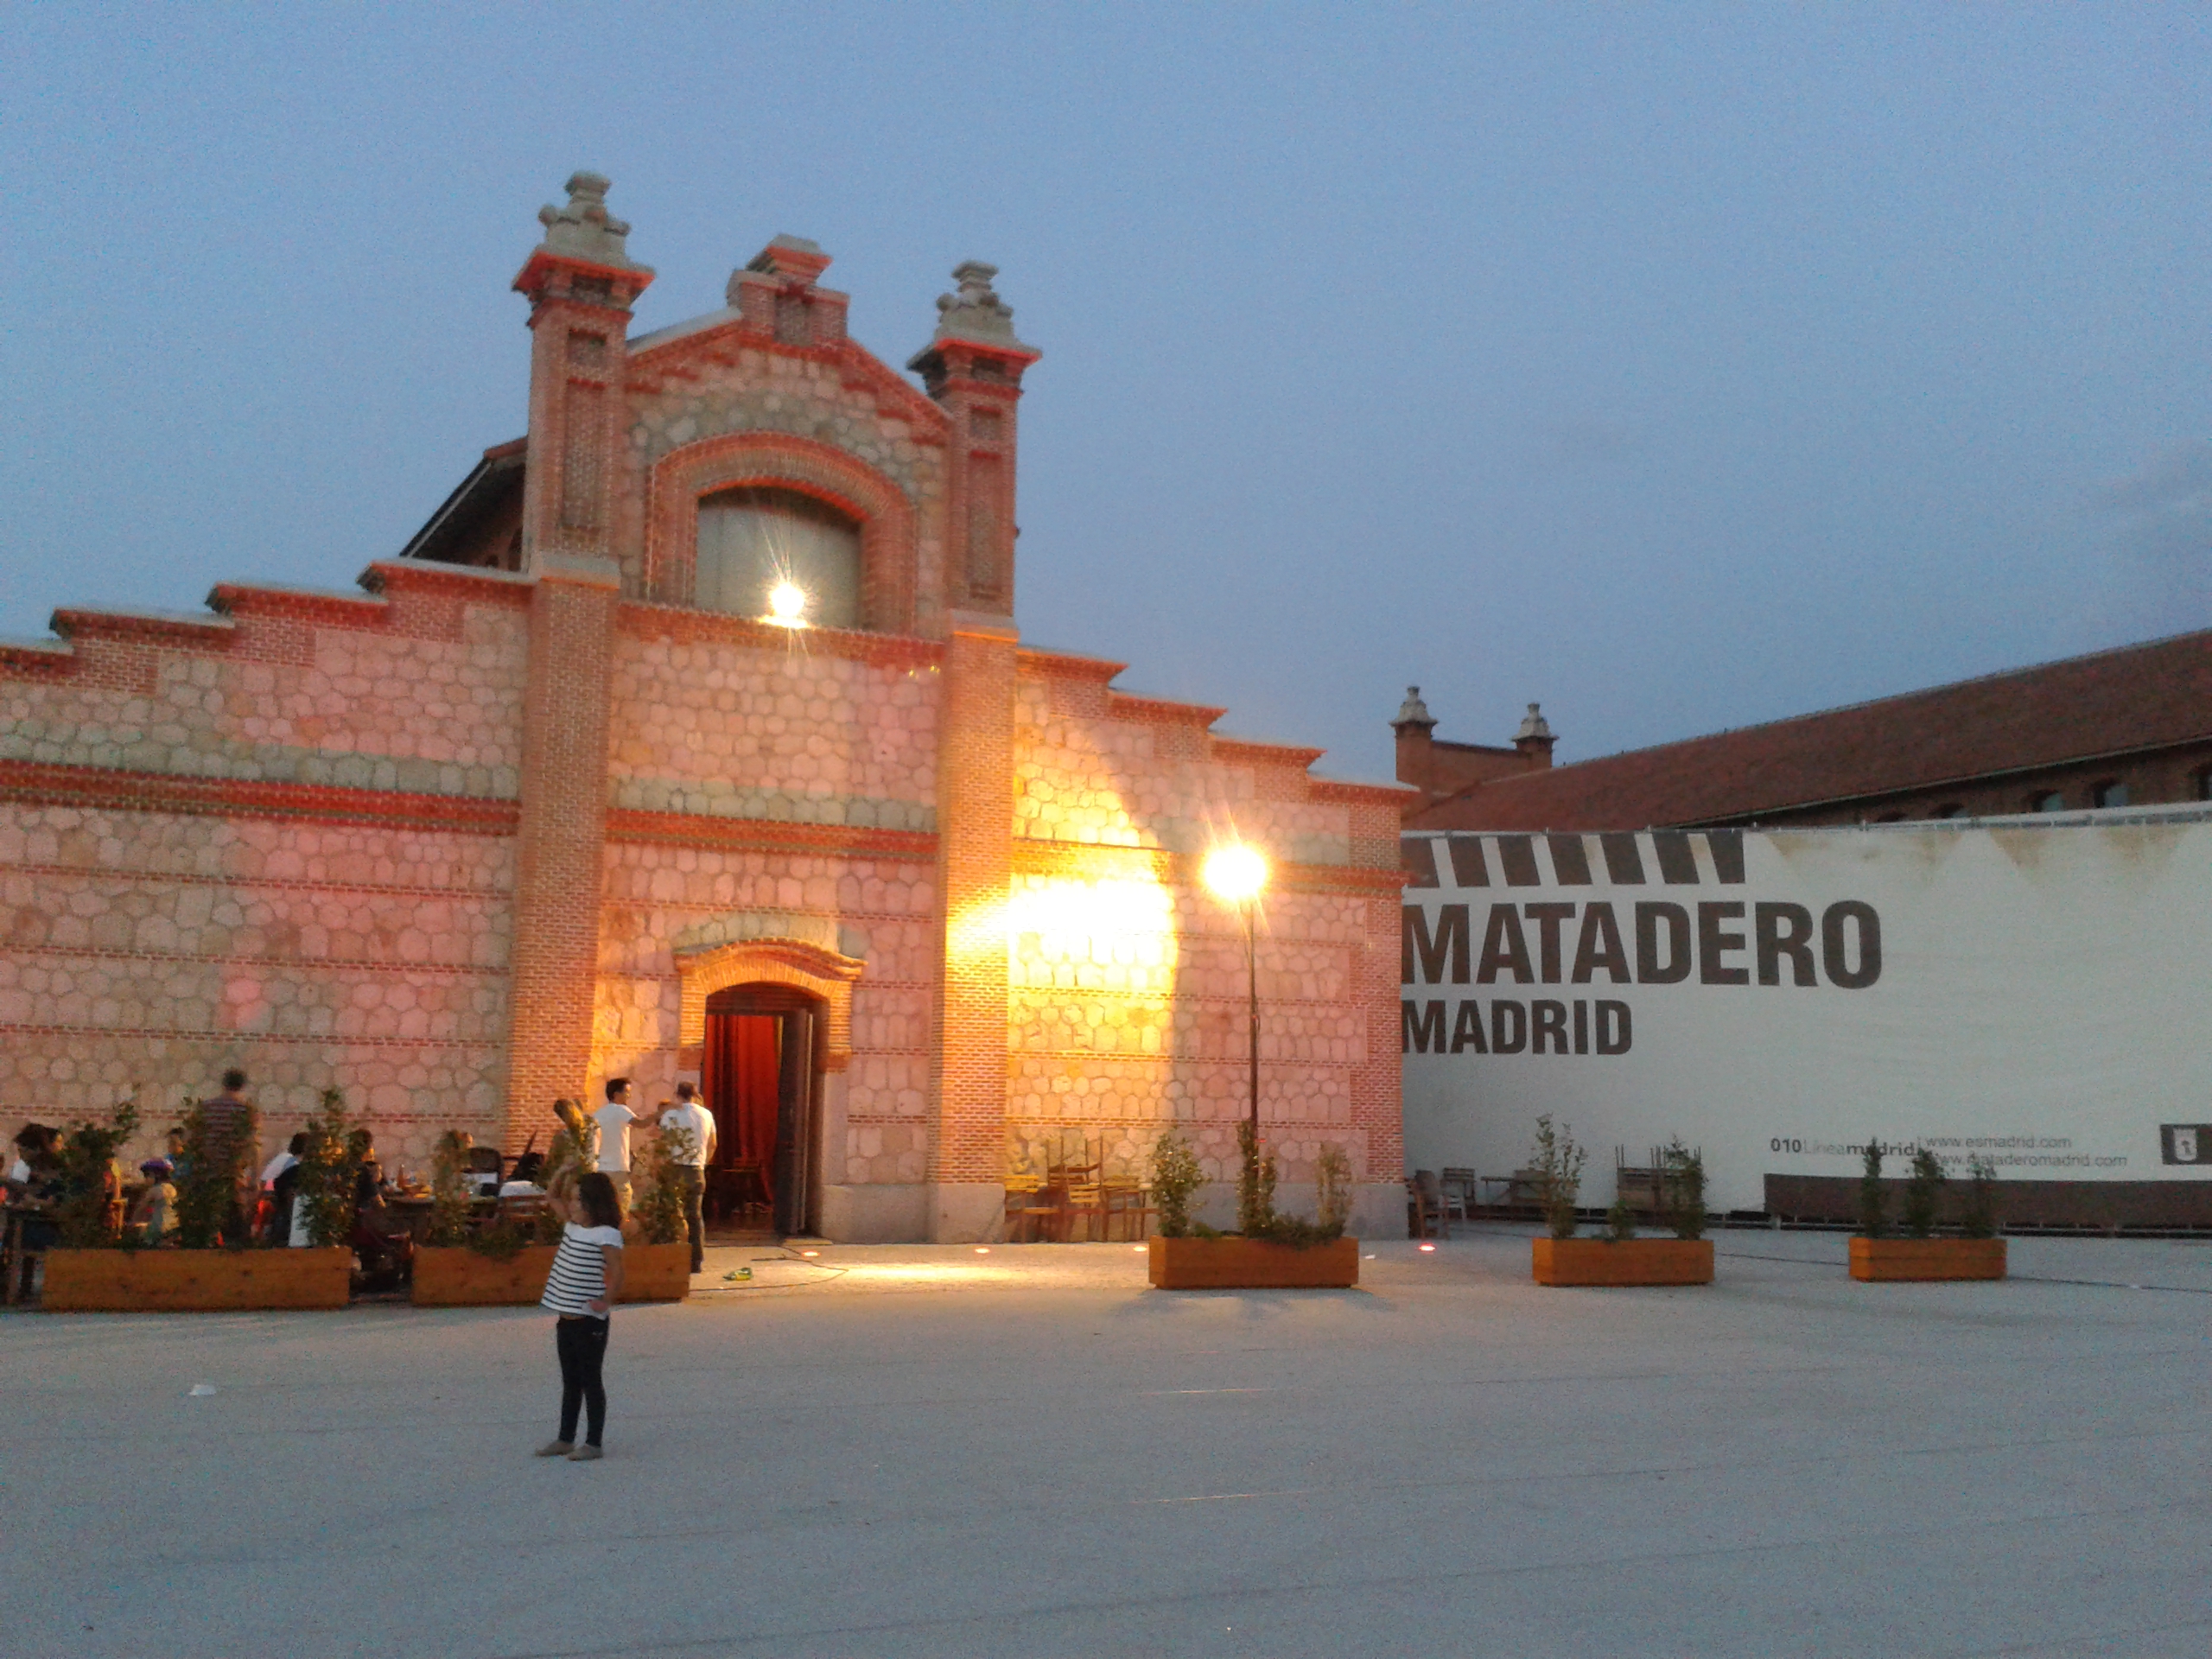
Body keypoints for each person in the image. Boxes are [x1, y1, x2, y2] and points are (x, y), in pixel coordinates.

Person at [537, 1170, 625, 1462]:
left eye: (578, 1200)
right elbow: (551, 1196)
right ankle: (565, 1438)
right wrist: (563, 1171)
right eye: (572, 1200)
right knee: (570, 1382)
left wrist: (606, 1300)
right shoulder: (572, 1227)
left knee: (591, 1381)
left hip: (589, 1323)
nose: (572, 1205)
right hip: (566, 1321)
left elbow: (617, 1270)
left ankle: (594, 1443)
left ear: (594, 1203)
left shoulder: (606, 1234)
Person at [658, 1082, 716, 1274]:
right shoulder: (706, 1115)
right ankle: (696, 1260)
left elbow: (664, 1142)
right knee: (695, 1216)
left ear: (677, 1094)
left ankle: (673, 1258)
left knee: (673, 1215)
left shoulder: (671, 1115)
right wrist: (703, 1163)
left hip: (675, 1168)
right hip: (696, 1169)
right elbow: (713, 1143)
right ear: (694, 1094)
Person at [591, 1079, 643, 1208]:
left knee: (605, 1204)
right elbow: (641, 1124)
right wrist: (659, 1114)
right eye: (627, 1092)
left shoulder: (598, 1113)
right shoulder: (621, 1110)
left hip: (601, 1167)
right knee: (623, 1203)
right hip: (617, 1167)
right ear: (616, 1094)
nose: (629, 1096)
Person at [129, 1159, 179, 1244]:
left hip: (159, 1227)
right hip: (174, 1226)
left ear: (156, 1175)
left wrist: (132, 1222)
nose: (145, 1179)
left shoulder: (154, 1190)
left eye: (147, 1175)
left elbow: (141, 1209)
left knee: (143, 1238)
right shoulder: (172, 1189)